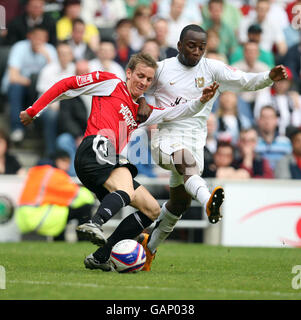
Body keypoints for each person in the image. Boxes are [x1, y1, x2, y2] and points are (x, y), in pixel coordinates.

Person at [19, 52, 220, 271]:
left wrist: (201, 100)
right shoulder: (110, 83)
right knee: (126, 181)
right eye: (140, 76)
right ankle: (94, 223)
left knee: (151, 209)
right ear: (129, 72)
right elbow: (67, 85)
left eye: (148, 80)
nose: (143, 82)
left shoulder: (141, 112)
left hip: (105, 163)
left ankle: (100, 256)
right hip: (94, 147)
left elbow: (177, 112)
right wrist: (34, 110)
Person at [138, 24, 288, 271]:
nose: (197, 51)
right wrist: (143, 101)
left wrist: (268, 77)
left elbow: (244, 81)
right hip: (166, 139)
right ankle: (209, 201)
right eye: (191, 45)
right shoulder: (162, 69)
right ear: (179, 45)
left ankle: (149, 249)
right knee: (185, 163)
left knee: (179, 205)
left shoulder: (212, 68)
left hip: (196, 141)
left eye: (201, 47)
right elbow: (139, 86)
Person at [15, 150, 95, 240]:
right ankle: (82, 241)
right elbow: (80, 196)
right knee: (84, 208)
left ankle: (59, 240)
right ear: (57, 161)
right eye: (65, 161)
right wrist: (91, 195)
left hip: (23, 219)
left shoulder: (36, 171)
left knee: (61, 208)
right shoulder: (54, 174)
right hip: (39, 217)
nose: (68, 166)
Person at [1, 25, 57, 143]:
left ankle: (36, 126)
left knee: (47, 89)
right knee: (16, 87)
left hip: (38, 87)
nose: (39, 41)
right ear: (29, 37)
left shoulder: (49, 49)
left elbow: (55, 74)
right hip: (18, 85)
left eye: (43, 38)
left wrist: (47, 57)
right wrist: (33, 83)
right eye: (37, 37)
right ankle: (17, 128)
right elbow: (13, 76)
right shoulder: (20, 47)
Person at [256, 105, 292, 171]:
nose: (267, 121)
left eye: (270, 117)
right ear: (259, 120)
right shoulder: (253, 142)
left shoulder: (286, 142)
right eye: (264, 117)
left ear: (276, 120)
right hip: (260, 178)